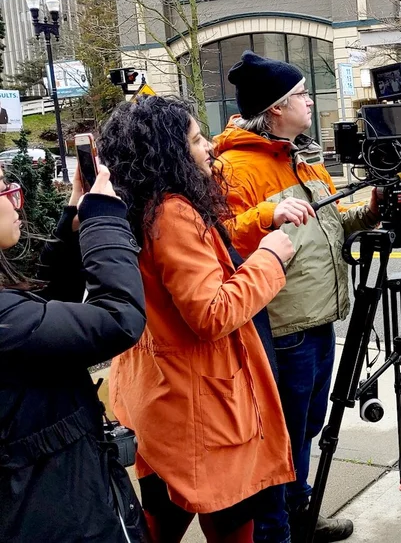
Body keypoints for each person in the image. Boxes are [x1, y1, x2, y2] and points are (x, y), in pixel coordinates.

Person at [105, 96, 298, 542]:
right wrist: (270, 259)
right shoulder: (173, 212)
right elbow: (211, 313)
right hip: (200, 408)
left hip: (159, 397)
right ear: (169, 153)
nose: (209, 146)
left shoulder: (136, 206)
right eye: (195, 140)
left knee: (161, 515)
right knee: (228, 520)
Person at [215, 50, 380, 542]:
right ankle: (276, 530)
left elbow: (332, 223)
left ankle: (301, 511)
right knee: (279, 436)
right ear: (276, 108)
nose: (310, 102)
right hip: (281, 327)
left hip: (318, 320)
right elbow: (220, 239)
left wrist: (371, 211)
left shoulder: (301, 159)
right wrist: (266, 213)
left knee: (306, 425)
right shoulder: (234, 168)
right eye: (302, 95)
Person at [0, 163, 148, 542]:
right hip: (61, 509)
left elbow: (42, 321)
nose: (17, 203)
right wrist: (105, 220)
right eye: (4, 191)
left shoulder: (12, 322)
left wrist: (72, 225)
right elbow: (118, 318)